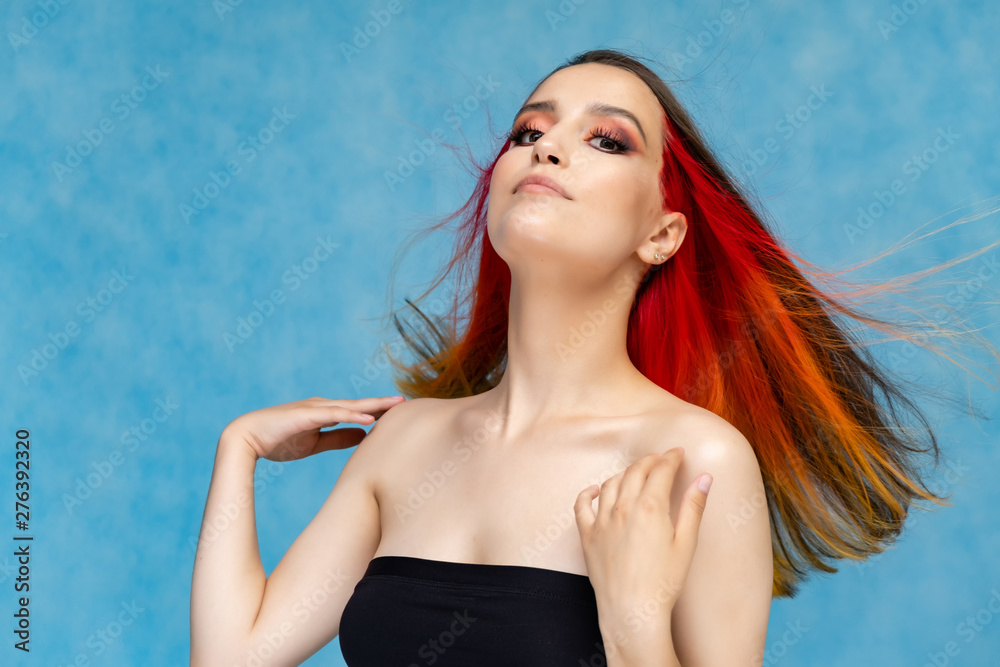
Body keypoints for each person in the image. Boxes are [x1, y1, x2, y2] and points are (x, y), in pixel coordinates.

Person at [191, 48, 993, 666]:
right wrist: (239, 451)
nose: (545, 151)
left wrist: (636, 621)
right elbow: (232, 655)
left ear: (662, 233)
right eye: (528, 132)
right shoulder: (406, 444)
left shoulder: (694, 461)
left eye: (606, 140)